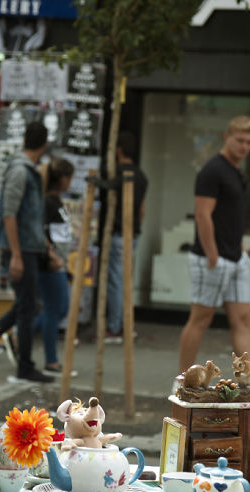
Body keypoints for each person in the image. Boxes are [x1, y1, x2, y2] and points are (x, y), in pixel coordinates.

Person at [178, 116, 250, 376]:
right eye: (240, 140)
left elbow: (231, 215)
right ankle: (183, 381)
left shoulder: (236, 171)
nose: (245, 146)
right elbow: (203, 214)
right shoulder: (212, 170)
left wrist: (240, 245)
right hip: (212, 259)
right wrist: (212, 255)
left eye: (249, 142)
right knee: (200, 319)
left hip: (235, 258)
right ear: (227, 137)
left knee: (243, 320)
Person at [0, 121, 52, 383]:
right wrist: (16, 254)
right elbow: (9, 214)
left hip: (28, 248)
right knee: (28, 307)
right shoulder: (21, 171)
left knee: (27, 305)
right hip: (21, 250)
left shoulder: (28, 170)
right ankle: (25, 366)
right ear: (44, 144)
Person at [97, 130, 149, 344]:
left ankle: (115, 327)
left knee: (116, 282)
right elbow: (142, 210)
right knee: (126, 280)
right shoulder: (141, 176)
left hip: (118, 232)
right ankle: (126, 326)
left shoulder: (116, 173)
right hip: (133, 233)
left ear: (118, 150)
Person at [34, 157, 74, 373]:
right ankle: (51, 360)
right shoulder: (47, 202)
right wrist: (51, 255)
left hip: (59, 262)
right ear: (62, 179)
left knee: (60, 309)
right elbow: (40, 231)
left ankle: (22, 336)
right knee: (54, 309)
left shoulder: (56, 201)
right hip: (50, 263)